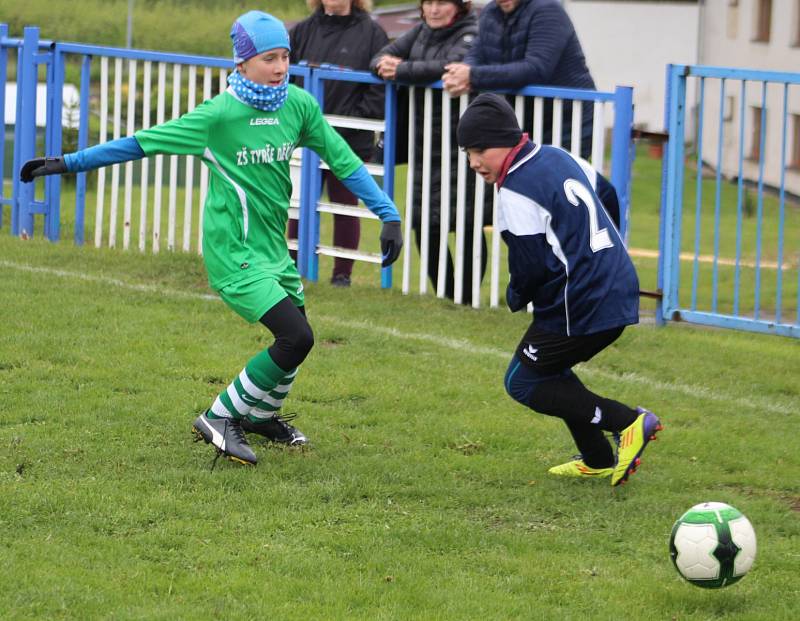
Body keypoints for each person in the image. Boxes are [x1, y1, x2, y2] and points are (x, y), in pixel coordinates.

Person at [19, 10, 403, 466]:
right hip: (232, 250)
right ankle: (219, 417)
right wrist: (67, 163)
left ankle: (260, 416)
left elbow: (343, 162)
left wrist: (388, 214)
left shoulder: (298, 105)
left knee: (298, 333)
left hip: (272, 249)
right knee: (296, 337)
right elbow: (141, 143)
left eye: (284, 56)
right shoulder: (216, 116)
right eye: (268, 58)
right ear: (241, 64)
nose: (280, 67)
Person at [456, 93, 661, 486]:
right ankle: (597, 457)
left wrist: (516, 295)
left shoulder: (515, 188)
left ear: (506, 138)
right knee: (551, 370)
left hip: (583, 300)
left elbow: (530, 266)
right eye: (468, 152)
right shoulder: (558, 155)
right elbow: (607, 194)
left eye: (480, 150)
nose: (474, 162)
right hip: (615, 284)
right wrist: (603, 252)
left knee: (523, 381)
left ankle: (628, 422)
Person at [371, 0, 486, 304]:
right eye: (428, 3)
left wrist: (402, 70)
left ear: (459, 7)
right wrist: (386, 65)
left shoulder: (473, 32)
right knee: (422, 222)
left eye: (442, 3)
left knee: (466, 223)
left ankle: (466, 296)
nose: (433, 10)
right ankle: (448, 297)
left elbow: (451, 66)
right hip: (424, 144)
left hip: (462, 144)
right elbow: (381, 56)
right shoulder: (420, 31)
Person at [288, 0, 389, 288]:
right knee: (298, 205)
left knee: (345, 207)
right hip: (304, 136)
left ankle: (341, 276)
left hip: (349, 139)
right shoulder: (302, 31)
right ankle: (293, 267)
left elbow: (378, 91)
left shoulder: (372, 33)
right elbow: (288, 78)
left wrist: (353, 121)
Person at [443, 0, 596, 159]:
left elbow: (536, 68)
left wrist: (472, 75)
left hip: (566, 118)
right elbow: (476, 54)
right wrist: (461, 73)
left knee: (557, 178)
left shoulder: (547, 9)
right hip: (523, 117)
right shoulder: (491, 11)